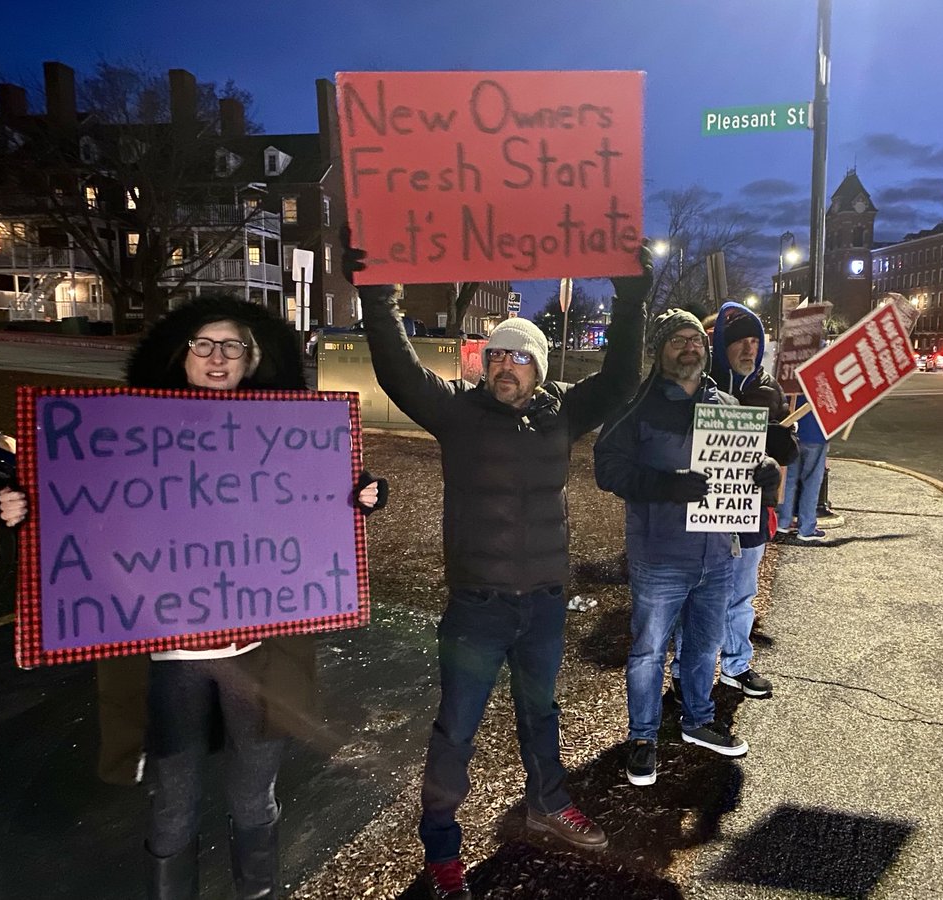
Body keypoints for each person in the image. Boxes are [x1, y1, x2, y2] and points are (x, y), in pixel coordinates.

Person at [0, 294, 387, 900]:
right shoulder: (130, 436)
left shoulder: (284, 437)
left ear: (250, 359)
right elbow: (88, 514)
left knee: (253, 797)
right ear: (182, 356)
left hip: (261, 657)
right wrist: (29, 512)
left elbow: (315, 503)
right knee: (173, 803)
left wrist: (358, 493)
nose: (216, 356)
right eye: (203, 344)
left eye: (231, 345)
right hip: (170, 664)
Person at [342, 231, 649, 900]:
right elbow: (396, 369)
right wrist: (377, 290)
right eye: (497, 355)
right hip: (476, 608)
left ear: (539, 367)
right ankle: (443, 852)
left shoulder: (563, 416)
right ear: (485, 363)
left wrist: (633, 298)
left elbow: (623, 378)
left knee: (542, 714)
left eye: (519, 357)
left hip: (541, 602)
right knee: (456, 730)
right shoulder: (458, 413)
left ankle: (548, 801)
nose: (506, 365)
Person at [594, 310, 780, 788]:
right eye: (677, 341)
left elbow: (751, 461)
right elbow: (607, 469)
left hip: (717, 554)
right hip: (660, 555)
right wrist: (666, 486)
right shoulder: (638, 408)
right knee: (649, 651)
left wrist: (767, 471)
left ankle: (697, 718)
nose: (688, 348)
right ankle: (642, 736)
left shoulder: (725, 405)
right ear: (660, 351)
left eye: (695, 339)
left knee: (703, 646)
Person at [670, 302, 798, 704]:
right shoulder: (698, 387)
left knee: (742, 595)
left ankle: (736, 665)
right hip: (705, 514)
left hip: (750, 511)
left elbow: (784, 449)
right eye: (740, 341)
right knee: (695, 597)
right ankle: (684, 671)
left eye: (755, 341)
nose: (748, 349)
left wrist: (780, 454)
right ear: (721, 345)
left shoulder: (769, 389)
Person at [776, 391, 829, 542]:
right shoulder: (823, 374)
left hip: (792, 428)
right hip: (817, 431)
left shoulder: (790, 372)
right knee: (812, 480)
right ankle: (806, 527)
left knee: (789, 478)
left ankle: (783, 521)